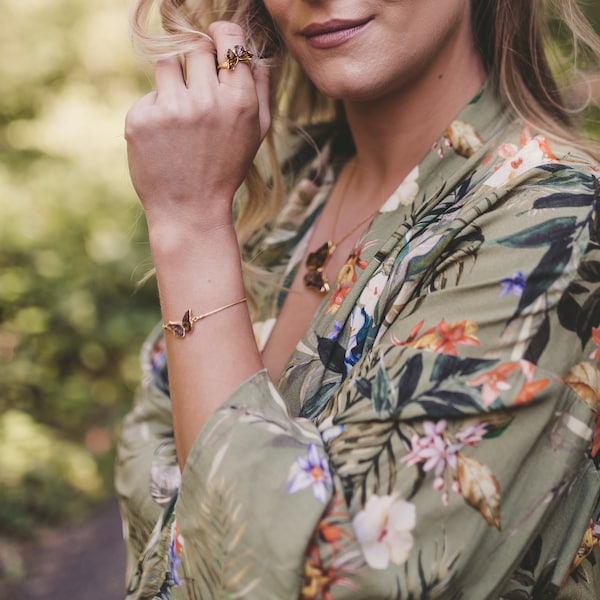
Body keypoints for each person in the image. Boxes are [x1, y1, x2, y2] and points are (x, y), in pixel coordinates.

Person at [115, 0, 600, 597]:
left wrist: (189, 230)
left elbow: (331, 583)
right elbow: (148, 467)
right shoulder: (278, 186)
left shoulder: (554, 215)